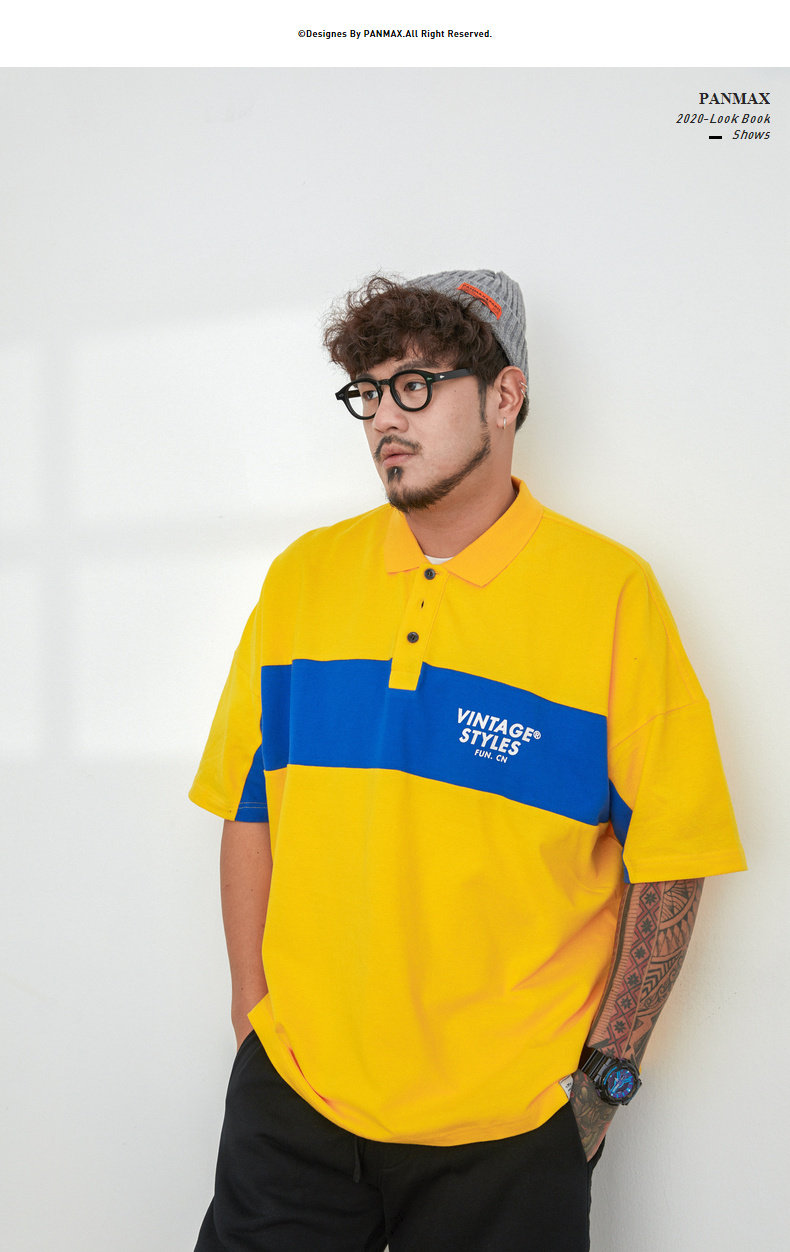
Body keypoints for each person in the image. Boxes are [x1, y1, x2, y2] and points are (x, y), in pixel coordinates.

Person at [190, 270, 746, 1251]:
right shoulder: (303, 579)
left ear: (504, 395)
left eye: (416, 385)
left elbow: (671, 857)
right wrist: (253, 1022)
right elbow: (249, 802)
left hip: (509, 1132)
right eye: (369, 391)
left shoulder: (610, 596)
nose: (383, 417)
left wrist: (601, 1086)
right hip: (297, 1107)